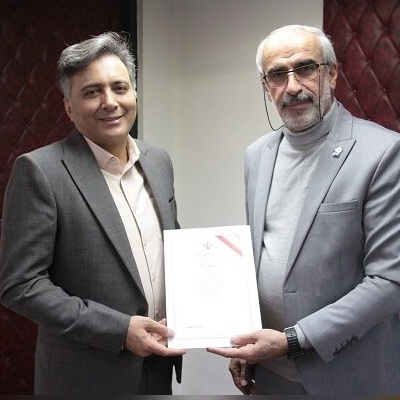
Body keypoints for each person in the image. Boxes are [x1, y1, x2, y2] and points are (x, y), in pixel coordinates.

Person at [207, 24, 400, 395]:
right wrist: (244, 338)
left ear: (332, 73)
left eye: (305, 68)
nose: (292, 86)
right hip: (269, 374)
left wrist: (294, 340)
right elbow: (260, 259)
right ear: (266, 87)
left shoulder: (383, 153)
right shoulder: (257, 156)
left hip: (347, 377)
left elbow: (389, 281)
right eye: (277, 74)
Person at [0, 32, 185, 395]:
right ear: (69, 107)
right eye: (91, 92)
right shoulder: (40, 171)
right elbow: (19, 285)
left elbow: (172, 252)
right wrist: (118, 330)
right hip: (84, 379)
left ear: (134, 94)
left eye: (119, 87)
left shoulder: (158, 161)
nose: (109, 102)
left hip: (157, 369)